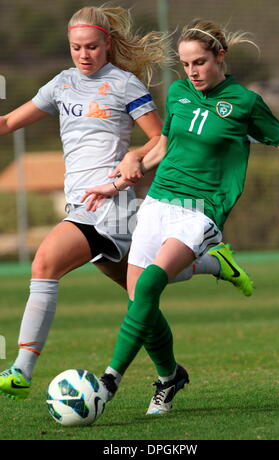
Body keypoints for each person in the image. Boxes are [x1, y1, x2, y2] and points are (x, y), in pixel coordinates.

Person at [0, 7, 252, 402]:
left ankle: (21, 369)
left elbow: (160, 139)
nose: (84, 55)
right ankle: (174, 364)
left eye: (92, 47)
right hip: (81, 206)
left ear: (108, 44)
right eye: (76, 48)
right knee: (141, 297)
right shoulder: (61, 84)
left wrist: (131, 160)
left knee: (44, 262)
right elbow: (7, 123)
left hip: (110, 207)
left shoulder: (124, 85)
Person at [82, 19, 279, 416]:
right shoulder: (180, 92)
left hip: (202, 209)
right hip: (158, 201)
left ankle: (108, 381)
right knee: (139, 303)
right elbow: (163, 146)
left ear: (221, 56)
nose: (192, 72)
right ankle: (169, 377)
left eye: (200, 62)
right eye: (185, 64)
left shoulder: (245, 102)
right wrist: (114, 185)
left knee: (148, 286)